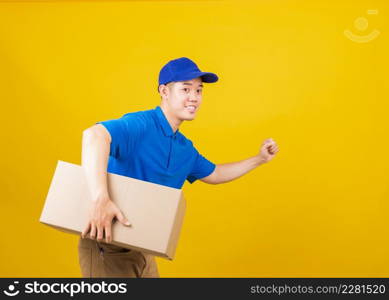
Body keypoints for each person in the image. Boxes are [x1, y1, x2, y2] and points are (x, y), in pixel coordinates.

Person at [78, 57, 279, 278]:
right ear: (164, 91)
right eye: (186, 89)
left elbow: (216, 174)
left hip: (144, 245)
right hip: (108, 241)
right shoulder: (142, 125)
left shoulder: (184, 148)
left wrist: (259, 159)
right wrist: (100, 199)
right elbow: (94, 135)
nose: (194, 98)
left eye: (199, 91)